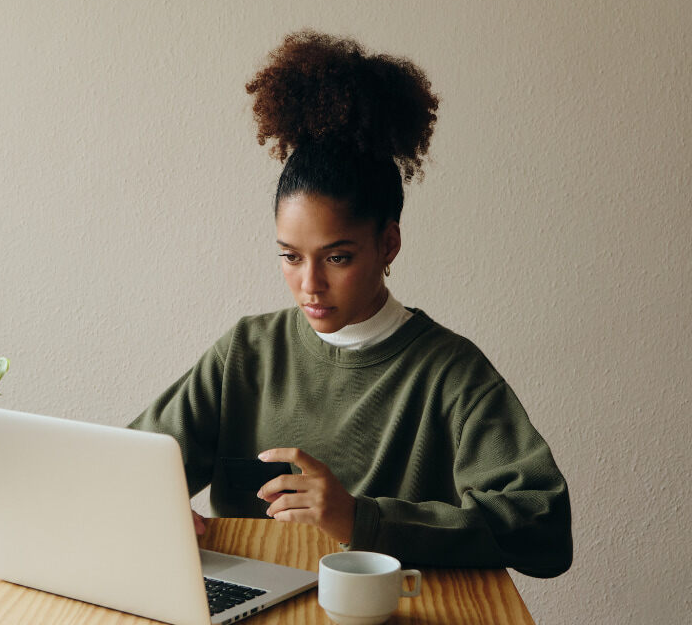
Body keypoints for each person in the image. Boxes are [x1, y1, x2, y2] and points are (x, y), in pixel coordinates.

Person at [128, 30, 571, 578]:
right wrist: (152, 505)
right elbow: (132, 465)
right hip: (247, 603)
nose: (309, 284)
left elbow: (543, 526)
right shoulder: (246, 352)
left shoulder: (450, 374)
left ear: (388, 244)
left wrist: (361, 519)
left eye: (336, 258)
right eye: (290, 257)